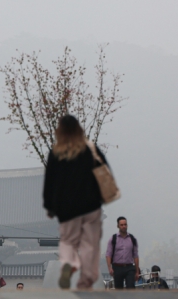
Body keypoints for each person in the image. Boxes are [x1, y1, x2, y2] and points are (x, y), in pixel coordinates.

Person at [43, 115, 106, 290]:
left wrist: (50, 207)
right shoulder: (91, 149)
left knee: (68, 241)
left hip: (68, 208)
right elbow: (103, 172)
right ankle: (85, 280)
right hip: (91, 206)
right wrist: (101, 198)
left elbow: (50, 182)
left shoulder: (56, 153)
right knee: (88, 244)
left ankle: (67, 265)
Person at [105, 216, 139, 289]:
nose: (124, 226)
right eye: (122, 225)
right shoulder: (113, 239)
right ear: (118, 226)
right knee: (119, 289)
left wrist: (137, 272)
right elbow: (108, 254)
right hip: (117, 267)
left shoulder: (132, 239)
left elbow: (135, 256)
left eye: (125, 224)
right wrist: (109, 268)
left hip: (129, 267)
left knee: (130, 287)